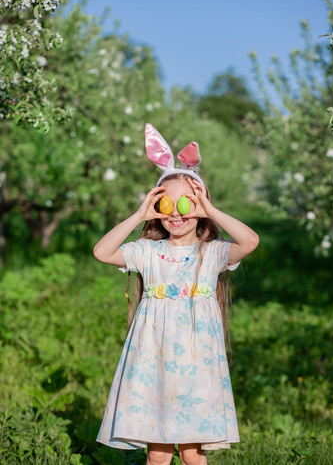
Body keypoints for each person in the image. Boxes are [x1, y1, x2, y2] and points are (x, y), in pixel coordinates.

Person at [94, 124, 259, 465]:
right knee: (157, 454)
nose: (177, 212)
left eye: (187, 202)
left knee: (191, 454)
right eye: (167, 202)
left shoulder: (211, 252)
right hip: (152, 362)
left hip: (197, 366)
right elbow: (102, 251)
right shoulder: (148, 252)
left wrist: (209, 210)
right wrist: (140, 214)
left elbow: (250, 241)